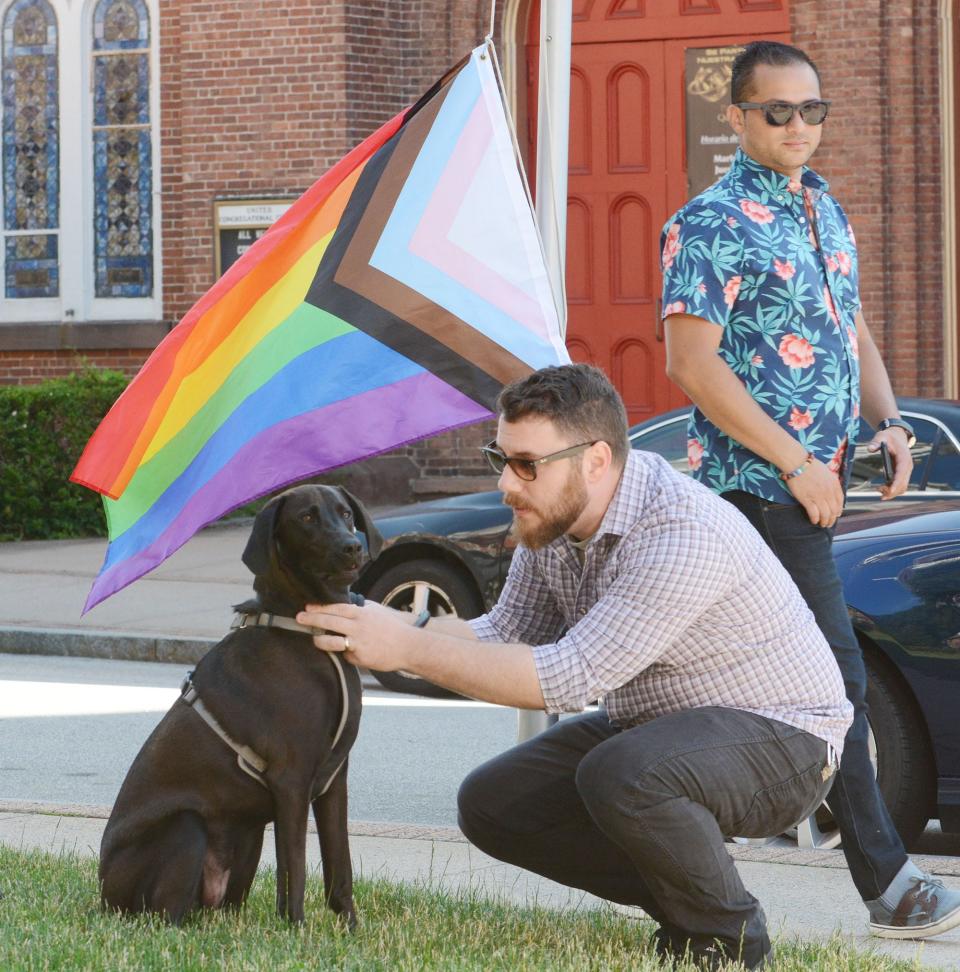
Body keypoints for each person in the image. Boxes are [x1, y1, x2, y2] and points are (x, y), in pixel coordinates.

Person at [299, 363, 854, 969]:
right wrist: (377, 623)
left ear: (595, 460)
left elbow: (567, 678)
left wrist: (407, 649)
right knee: (493, 802)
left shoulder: (682, 531)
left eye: (527, 464)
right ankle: (684, 901)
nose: (508, 484)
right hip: (660, 729)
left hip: (788, 740)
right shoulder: (555, 521)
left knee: (622, 773)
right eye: (500, 457)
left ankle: (729, 939)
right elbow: (504, 635)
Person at [659, 39, 960, 940]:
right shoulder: (710, 222)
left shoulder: (823, 207)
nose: (798, 127)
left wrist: (890, 422)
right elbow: (691, 365)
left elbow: (851, 321)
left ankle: (680, 873)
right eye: (778, 112)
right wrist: (795, 463)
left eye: (812, 111)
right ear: (739, 118)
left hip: (814, 489)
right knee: (835, 682)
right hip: (758, 492)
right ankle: (890, 888)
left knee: (725, 685)